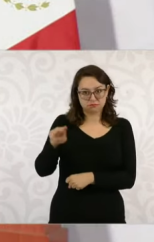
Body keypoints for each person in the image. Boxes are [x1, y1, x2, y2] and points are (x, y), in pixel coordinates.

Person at [34, 64, 136, 223]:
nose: (93, 98)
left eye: (98, 91)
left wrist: (91, 177)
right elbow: (42, 170)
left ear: (107, 90)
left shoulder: (122, 127)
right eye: (85, 92)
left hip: (109, 215)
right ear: (77, 94)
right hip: (66, 214)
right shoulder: (63, 123)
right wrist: (52, 145)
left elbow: (128, 178)